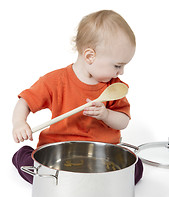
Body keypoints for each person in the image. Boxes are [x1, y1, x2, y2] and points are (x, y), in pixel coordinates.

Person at [12, 10, 143, 184]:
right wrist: (19, 123)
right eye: (117, 65)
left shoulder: (113, 88)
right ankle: (24, 156)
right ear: (90, 56)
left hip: (100, 158)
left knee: (137, 168)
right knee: (34, 169)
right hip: (59, 157)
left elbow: (123, 121)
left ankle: (82, 184)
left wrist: (106, 115)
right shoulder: (55, 81)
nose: (121, 72)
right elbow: (25, 102)